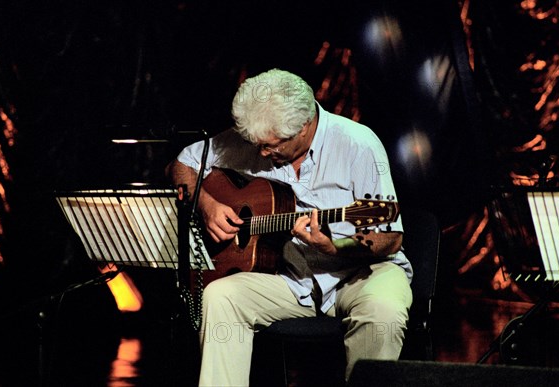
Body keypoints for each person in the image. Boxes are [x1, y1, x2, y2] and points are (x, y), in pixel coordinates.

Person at [168, 68, 413, 386]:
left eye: (270, 146)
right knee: (221, 296)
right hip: (290, 277)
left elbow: (390, 238)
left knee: (382, 311)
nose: (261, 153)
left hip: (363, 271)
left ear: (303, 127)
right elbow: (182, 164)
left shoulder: (359, 145)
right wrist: (206, 204)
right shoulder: (256, 139)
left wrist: (333, 246)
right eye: (256, 144)